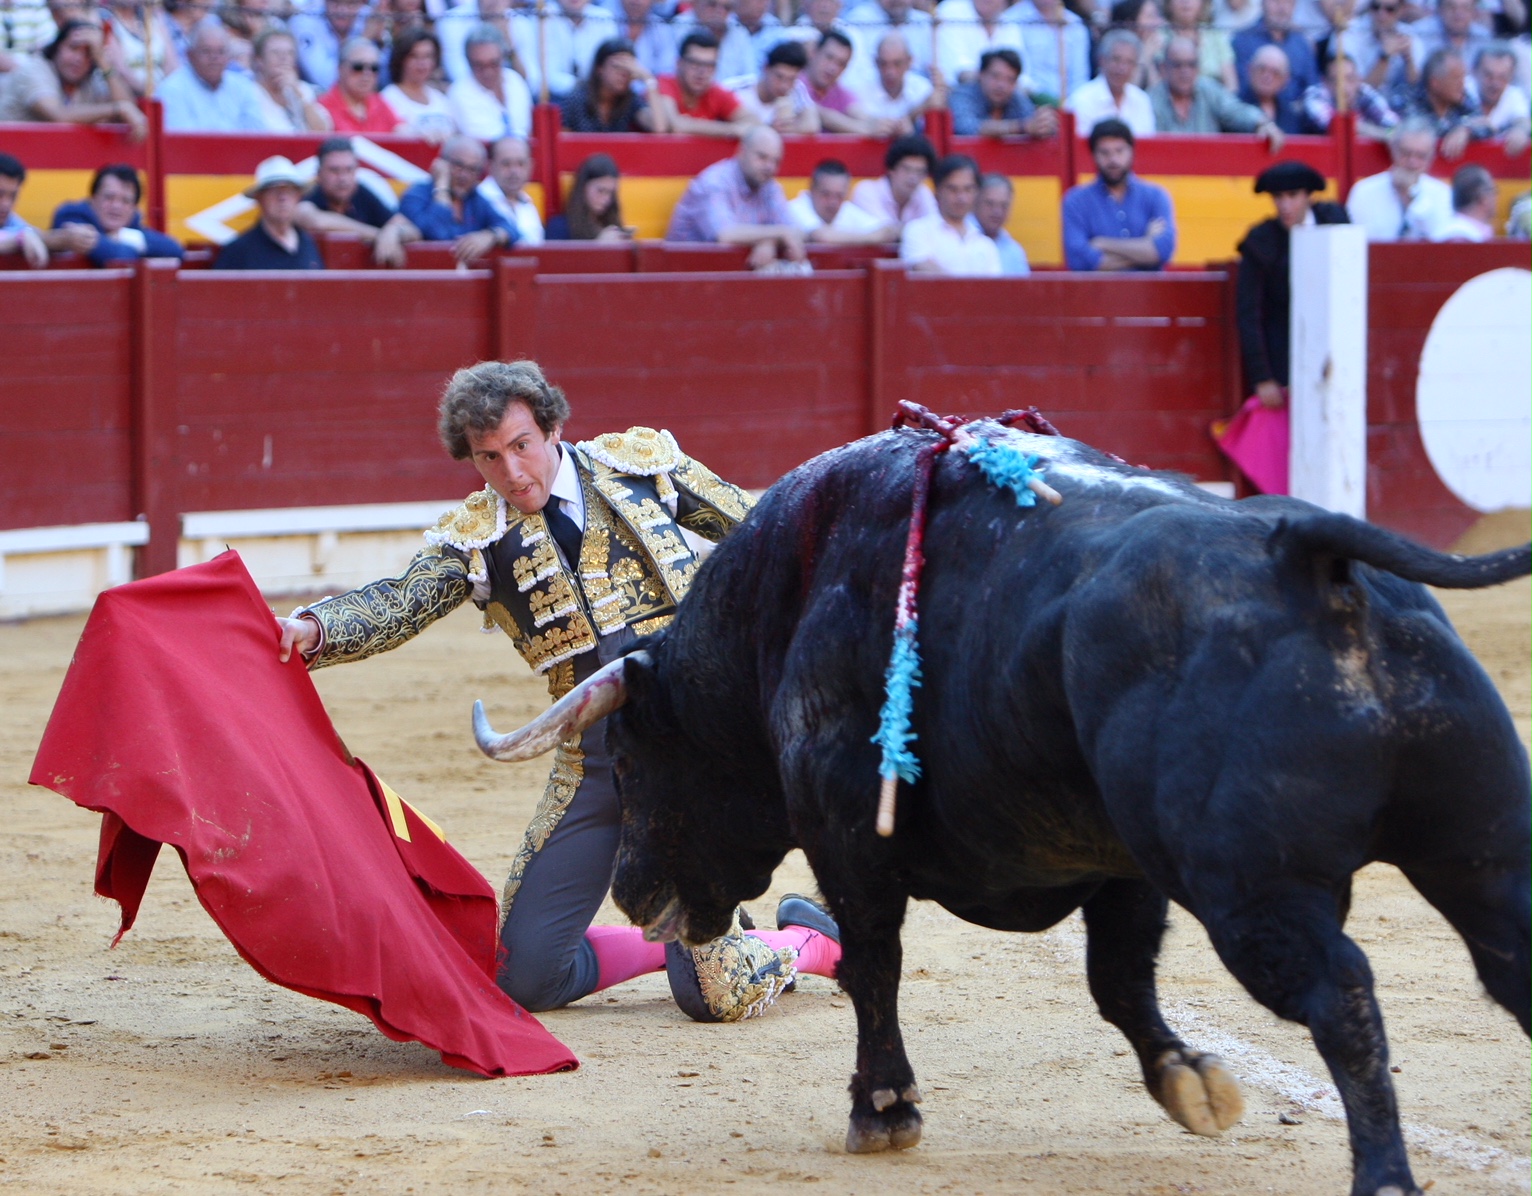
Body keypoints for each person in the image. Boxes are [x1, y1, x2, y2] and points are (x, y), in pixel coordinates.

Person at [273, 360, 843, 1022]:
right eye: (489, 458)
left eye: (521, 446)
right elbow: (401, 604)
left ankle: (814, 940)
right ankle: (678, 939)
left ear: (553, 429)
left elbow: (761, 529)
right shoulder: (477, 537)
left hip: (692, 755)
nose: (512, 472)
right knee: (528, 979)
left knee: (715, 995)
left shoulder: (639, 467)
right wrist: (313, 629)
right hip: (594, 761)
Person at [1235, 160, 1348, 411]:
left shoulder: (1335, 222)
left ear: (1309, 195)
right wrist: (1262, 377)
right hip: (1285, 357)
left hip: (1339, 348)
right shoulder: (1261, 241)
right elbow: (1249, 313)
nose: (1285, 206)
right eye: (1278, 197)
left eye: (1293, 196)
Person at [665, 125, 806, 270]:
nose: (769, 167)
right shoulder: (715, 182)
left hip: (721, 276)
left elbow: (795, 231)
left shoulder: (770, 187)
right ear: (742, 151)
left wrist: (770, 241)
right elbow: (725, 235)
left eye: (776, 161)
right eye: (762, 157)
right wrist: (779, 233)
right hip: (683, 275)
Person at [1062, 118, 1177, 270]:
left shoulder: (1156, 196)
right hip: (1098, 293)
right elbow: (1079, 261)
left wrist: (1102, 243)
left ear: (1132, 151)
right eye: (1105, 152)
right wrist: (1145, 246)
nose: (1113, 160)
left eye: (1119, 150)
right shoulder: (1075, 201)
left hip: (1149, 293)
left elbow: (1162, 252)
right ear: (1093, 155)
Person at [0, 18, 145, 133]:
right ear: (57, 47)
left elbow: (129, 110)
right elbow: (58, 116)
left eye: (88, 53)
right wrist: (118, 108)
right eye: (73, 48)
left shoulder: (89, 78)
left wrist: (102, 60)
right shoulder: (34, 69)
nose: (79, 59)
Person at [396, 135, 520, 262]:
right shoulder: (417, 195)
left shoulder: (475, 199)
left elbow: (512, 229)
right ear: (442, 164)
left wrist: (490, 236)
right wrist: (442, 188)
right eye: (458, 166)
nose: (464, 175)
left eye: (472, 169)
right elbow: (436, 234)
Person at [1150, 32, 1286, 145]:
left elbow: (1237, 111)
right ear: (1163, 68)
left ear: (1198, 68)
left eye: (1191, 65)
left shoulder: (1209, 90)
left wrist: (1262, 123)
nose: (1185, 71)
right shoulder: (1150, 100)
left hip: (1208, 173)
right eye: (1177, 65)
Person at [294, 137, 412, 266]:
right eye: (334, 170)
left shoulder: (361, 193)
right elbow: (312, 220)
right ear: (319, 174)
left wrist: (393, 232)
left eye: (349, 170)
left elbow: (412, 230)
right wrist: (379, 235)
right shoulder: (313, 195)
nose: (343, 178)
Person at [48, 163, 184, 266]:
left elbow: (175, 250)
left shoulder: (131, 225)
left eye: (126, 201)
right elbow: (123, 256)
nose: (116, 206)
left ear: (133, 208)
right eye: (109, 197)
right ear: (93, 199)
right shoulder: (72, 216)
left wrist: (123, 235)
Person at [1345, 116, 1454, 239]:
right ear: (1393, 150)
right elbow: (1352, 242)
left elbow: (1441, 241)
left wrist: (1412, 197)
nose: (1412, 162)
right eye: (1406, 153)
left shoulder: (1442, 194)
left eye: (1421, 156)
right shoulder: (1364, 192)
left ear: (1431, 158)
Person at [215, 156, 325, 271]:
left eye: (289, 190)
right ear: (260, 198)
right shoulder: (238, 252)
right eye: (274, 190)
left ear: (298, 196)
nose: (283, 198)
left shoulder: (308, 243)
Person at [899, 154, 1002, 276]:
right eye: (953, 189)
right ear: (938, 191)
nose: (961, 198)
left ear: (977, 192)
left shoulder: (986, 244)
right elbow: (921, 266)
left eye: (968, 189)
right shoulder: (918, 230)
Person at [158, 17, 267, 131]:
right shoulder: (172, 89)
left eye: (221, 52)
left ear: (229, 56)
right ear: (190, 55)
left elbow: (257, 133)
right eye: (206, 51)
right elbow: (180, 140)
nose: (214, 58)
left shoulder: (243, 86)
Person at [0, 151, 105, 266]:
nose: (6, 203)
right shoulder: (20, 231)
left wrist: (70, 238)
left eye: (13, 196)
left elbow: (30, 234)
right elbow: (22, 236)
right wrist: (20, 239)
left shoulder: (13, 222)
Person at [656, 30, 753, 137]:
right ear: (679, 63)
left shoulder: (715, 91)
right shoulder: (664, 84)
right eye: (695, 63)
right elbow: (674, 124)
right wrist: (731, 129)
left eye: (709, 66)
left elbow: (753, 123)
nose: (702, 72)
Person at [950, 47, 1061, 137]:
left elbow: (1032, 121)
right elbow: (965, 127)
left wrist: (1044, 125)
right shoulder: (963, 95)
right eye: (995, 76)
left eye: (1010, 80)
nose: (1002, 85)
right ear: (981, 74)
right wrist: (1021, 127)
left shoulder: (1016, 98)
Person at [447, 22, 532, 139]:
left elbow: (527, 129)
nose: (488, 72)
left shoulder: (515, 80)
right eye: (479, 65)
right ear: (468, 62)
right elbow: (487, 139)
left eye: (494, 64)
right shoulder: (459, 92)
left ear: (503, 58)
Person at [1066, 29, 1157, 137]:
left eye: (1129, 62)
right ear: (1102, 60)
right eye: (1116, 60)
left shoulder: (1142, 100)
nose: (1122, 68)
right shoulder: (1082, 100)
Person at [559, 36, 664, 132]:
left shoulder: (631, 100)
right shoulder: (577, 99)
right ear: (599, 68)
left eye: (628, 68)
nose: (623, 74)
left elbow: (658, 128)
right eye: (617, 66)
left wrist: (649, 79)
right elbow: (562, 141)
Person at [1402, 48, 1489, 158]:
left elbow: (1487, 126)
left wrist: (1467, 130)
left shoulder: (1463, 99)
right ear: (1435, 83)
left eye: (1463, 78)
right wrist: (1463, 127)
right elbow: (1427, 132)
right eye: (1456, 78)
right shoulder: (1410, 100)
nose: (1462, 84)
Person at [802, 28, 891, 133]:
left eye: (841, 63)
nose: (833, 68)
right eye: (829, 57)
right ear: (814, 53)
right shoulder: (792, 82)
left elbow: (860, 114)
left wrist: (887, 125)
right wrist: (865, 129)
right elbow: (817, 112)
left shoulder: (840, 93)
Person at [787, 158, 898, 242]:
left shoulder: (847, 209)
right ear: (812, 190)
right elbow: (821, 236)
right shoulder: (795, 208)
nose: (833, 202)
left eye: (839, 196)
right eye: (826, 194)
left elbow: (887, 231)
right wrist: (872, 238)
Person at [855, 30, 944, 133]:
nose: (890, 71)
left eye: (897, 64)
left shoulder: (923, 89)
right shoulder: (859, 91)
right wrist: (919, 110)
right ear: (876, 62)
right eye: (884, 64)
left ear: (909, 61)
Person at [1232, 0, 1317, 102]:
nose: (1282, 9)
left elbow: (1312, 86)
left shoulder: (1301, 43)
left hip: (1295, 113)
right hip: (1253, 111)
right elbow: (1242, 86)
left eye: (1288, 3)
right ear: (1262, 3)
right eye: (1276, 2)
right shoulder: (1243, 40)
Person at [731, 38, 821, 132]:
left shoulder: (796, 88)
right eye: (779, 77)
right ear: (766, 68)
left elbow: (812, 125)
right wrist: (770, 130)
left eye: (791, 79)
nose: (784, 86)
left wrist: (788, 129)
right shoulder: (735, 89)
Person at [1011, 0, 1092, 104]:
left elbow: (1080, 78)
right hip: (1027, 102)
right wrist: (1046, 101)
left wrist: (1071, 105)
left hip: (1070, 105)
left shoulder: (1075, 24)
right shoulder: (1012, 20)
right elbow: (1020, 77)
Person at [251, 28, 332, 133]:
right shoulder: (250, 92)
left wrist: (298, 93)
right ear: (259, 60)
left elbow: (323, 131)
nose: (283, 58)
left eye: (290, 53)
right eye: (275, 53)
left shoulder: (303, 89)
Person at [850, 133, 939, 227]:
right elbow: (884, 231)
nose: (913, 177)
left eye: (920, 171)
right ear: (891, 170)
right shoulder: (866, 191)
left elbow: (937, 228)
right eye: (906, 169)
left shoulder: (923, 192)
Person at [319, 36, 405, 133]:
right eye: (358, 67)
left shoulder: (379, 103)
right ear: (340, 68)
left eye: (374, 68)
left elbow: (401, 130)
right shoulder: (322, 107)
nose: (367, 74)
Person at [382, 30, 457, 141]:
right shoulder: (388, 98)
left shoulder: (440, 99)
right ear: (401, 59)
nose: (421, 63)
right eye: (414, 56)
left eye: (427, 56)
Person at [1300, 52, 1397, 137]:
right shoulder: (1314, 95)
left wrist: (1385, 133)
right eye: (1336, 80)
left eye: (1350, 79)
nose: (1343, 87)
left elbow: (1394, 130)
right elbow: (1337, 127)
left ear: (1359, 79)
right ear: (1325, 82)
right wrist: (1377, 133)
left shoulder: (1364, 93)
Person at [935, 0, 1024, 86]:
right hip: (957, 91)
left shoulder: (1009, 23)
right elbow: (957, 69)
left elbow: (1020, 74)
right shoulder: (951, 10)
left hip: (1004, 93)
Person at [1347, 0, 1422, 102]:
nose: (1381, 14)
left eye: (1390, 9)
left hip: (1401, 109)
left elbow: (1418, 89)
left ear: (1401, 10)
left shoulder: (1409, 35)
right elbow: (1357, 93)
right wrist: (1384, 57)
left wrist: (1409, 60)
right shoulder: (1351, 33)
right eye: (1376, 7)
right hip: (1364, 109)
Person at [479, 135, 545, 246]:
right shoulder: (478, 199)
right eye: (506, 164)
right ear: (490, 166)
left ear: (531, 166)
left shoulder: (528, 202)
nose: (514, 171)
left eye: (521, 164)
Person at [546, 153, 629, 241]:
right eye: (600, 191)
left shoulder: (611, 224)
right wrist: (599, 246)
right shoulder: (559, 227)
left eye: (610, 193)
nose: (606, 199)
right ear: (583, 187)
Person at [289, 0, 365, 91]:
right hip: (316, 97)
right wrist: (365, 39)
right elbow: (326, 81)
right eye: (336, 3)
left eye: (350, 4)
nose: (342, 10)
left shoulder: (370, 16)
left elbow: (380, 79)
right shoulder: (304, 19)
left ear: (362, 4)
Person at [1471, 43, 1531, 155]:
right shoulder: (1461, 89)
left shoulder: (1514, 95)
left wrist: (1520, 131)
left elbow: (1523, 121)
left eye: (1502, 77)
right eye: (1489, 75)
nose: (1495, 84)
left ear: (1511, 76)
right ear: (1474, 71)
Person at [1164, 0, 1238, 91]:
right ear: (1168, 3)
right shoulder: (1159, 37)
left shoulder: (1215, 35)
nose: (1186, 2)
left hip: (1215, 101)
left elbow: (1231, 84)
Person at [972, 172, 1030, 274]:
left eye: (1004, 205)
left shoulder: (1014, 252)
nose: (997, 212)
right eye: (990, 204)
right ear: (975, 203)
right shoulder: (960, 239)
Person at [1241, 43, 1303, 132]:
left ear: (1285, 79)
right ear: (1249, 69)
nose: (1267, 77)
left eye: (1275, 73)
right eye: (1261, 69)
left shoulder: (1292, 114)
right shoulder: (1234, 105)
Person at [1432, 162, 1497, 240]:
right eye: (1494, 191)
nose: (1496, 197)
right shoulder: (1459, 236)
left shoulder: (1469, 231)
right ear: (1483, 197)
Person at [1411, 0, 1490, 64]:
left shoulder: (1484, 38)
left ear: (1474, 12)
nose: (1458, 13)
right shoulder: (1419, 33)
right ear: (1440, 9)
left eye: (1466, 8)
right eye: (1451, 6)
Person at [619, 0, 678, 79]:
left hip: (650, 88)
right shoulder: (606, 20)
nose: (635, 2)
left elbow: (667, 72)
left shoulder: (662, 30)